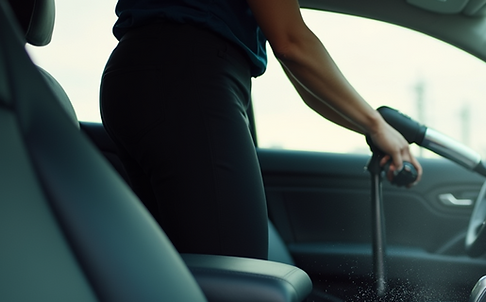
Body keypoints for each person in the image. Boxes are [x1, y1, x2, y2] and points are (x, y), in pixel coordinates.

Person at [100, 0, 421, 260]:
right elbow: (291, 42)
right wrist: (375, 124)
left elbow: (303, 79)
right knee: (234, 274)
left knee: (183, 266)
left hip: (143, 75)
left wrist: (370, 127)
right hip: (186, 80)